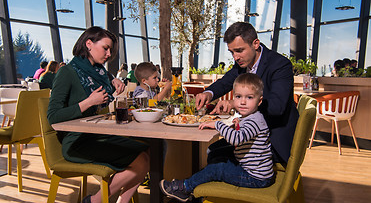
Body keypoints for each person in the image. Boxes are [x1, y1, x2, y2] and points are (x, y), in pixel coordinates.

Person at [47, 26, 149, 203]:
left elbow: (106, 80)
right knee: (140, 160)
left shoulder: (99, 73)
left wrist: (113, 80)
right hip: (76, 142)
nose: (109, 54)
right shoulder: (67, 73)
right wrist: (88, 102)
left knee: (147, 150)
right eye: (105, 48)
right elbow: (53, 117)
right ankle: (95, 201)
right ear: (88, 44)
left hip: (96, 135)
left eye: (110, 49)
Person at [160, 73, 274, 202]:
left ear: (259, 101)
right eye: (238, 96)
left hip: (255, 178)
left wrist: (218, 124)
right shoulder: (251, 117)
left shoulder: (255, 121)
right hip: (252, 171)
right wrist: (236, 125)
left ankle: (184, 188)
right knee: (216, 154)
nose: (242, 102)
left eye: (249, 97)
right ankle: (198, 187)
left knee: (217, 168)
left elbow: (236, 139)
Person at [195, 22, 299, 164]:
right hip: (250, 133)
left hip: (272, 142)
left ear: (255, 44)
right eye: (232, 52)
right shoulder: (243, 64)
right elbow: (226, 82)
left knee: (214, 154)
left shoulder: (280, 65)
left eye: (239, 50)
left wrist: (235, 103)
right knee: (212, 150)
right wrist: (208, 93)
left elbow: (276, 107)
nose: (235, 57)